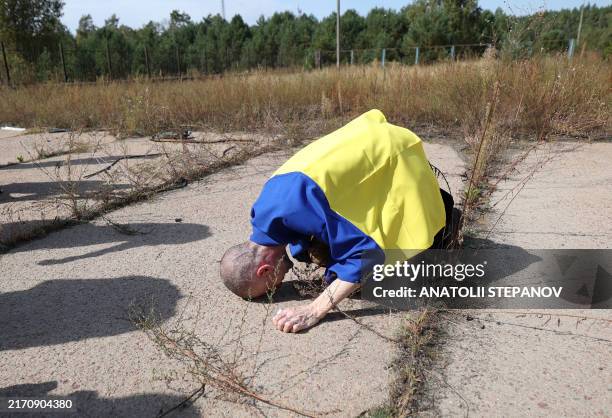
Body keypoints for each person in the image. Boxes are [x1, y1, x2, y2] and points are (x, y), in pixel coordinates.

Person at [220, 109, 457, 333]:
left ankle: (445, 212)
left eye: (274, 286)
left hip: (392, 152)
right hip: (366, 137)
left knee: (401, 255)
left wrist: (314, 310)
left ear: (265, 270)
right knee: (331, 254)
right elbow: (307, 222)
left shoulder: (308, 207)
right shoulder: (262, 211)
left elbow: (366, 256)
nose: (281, 284)